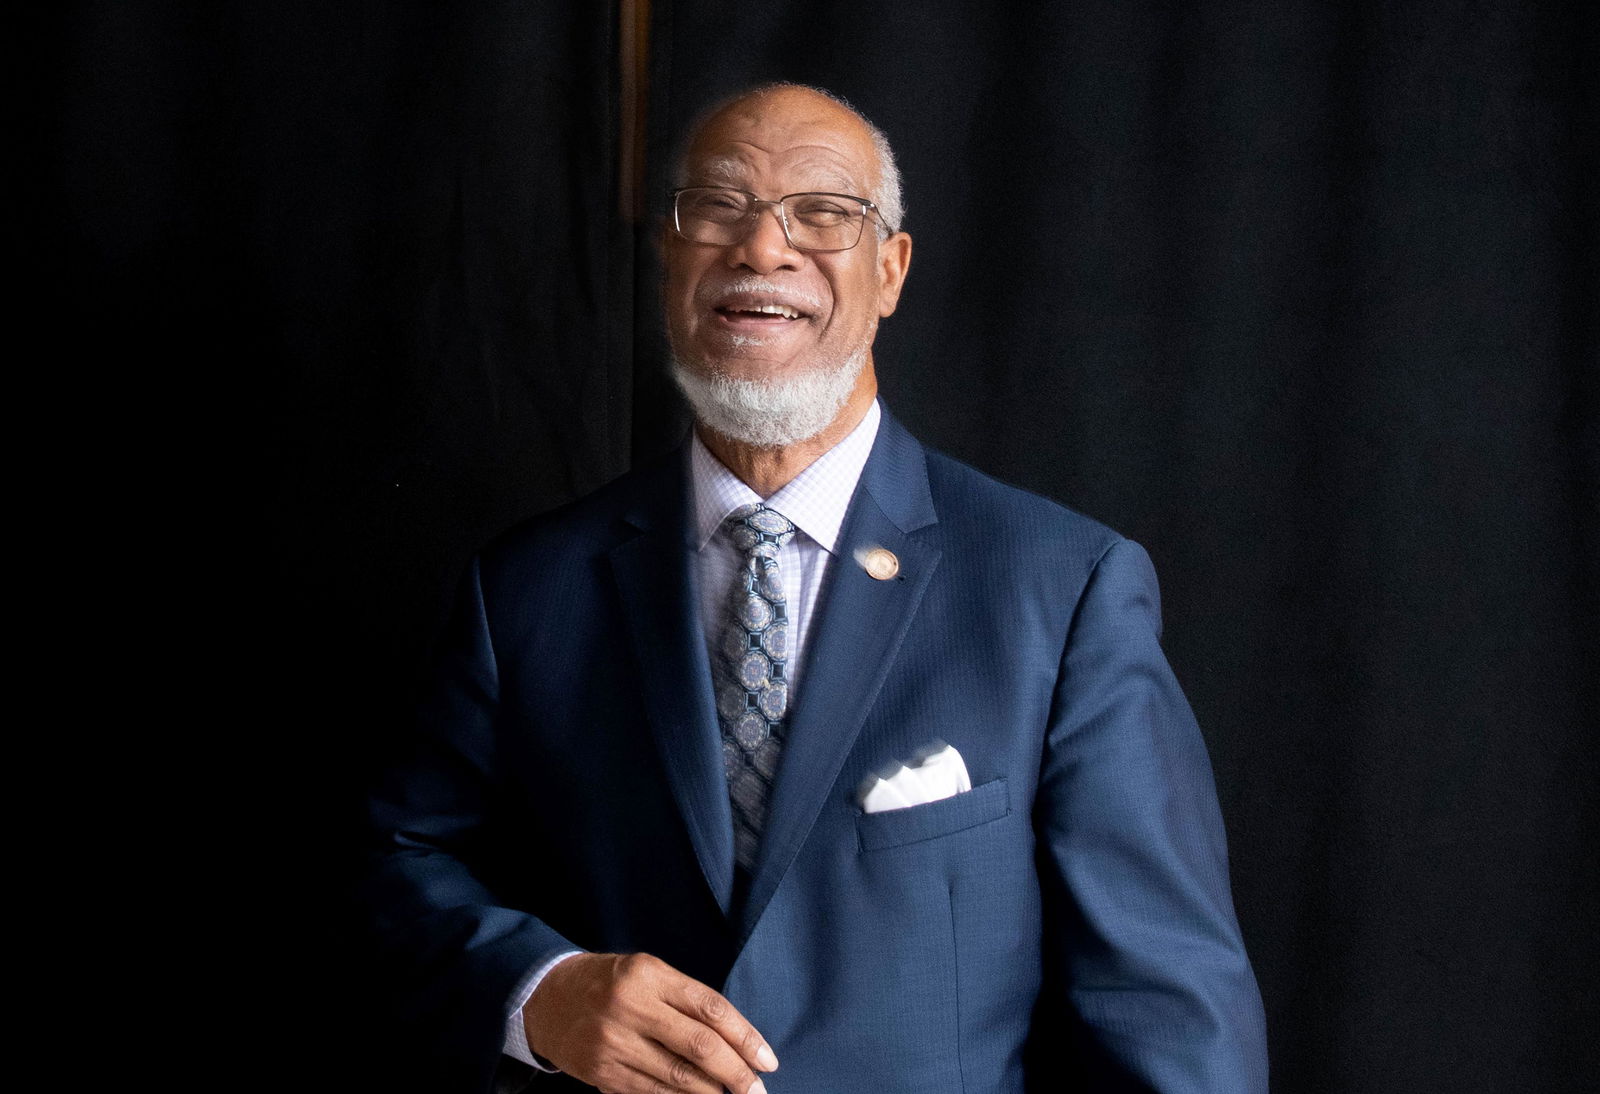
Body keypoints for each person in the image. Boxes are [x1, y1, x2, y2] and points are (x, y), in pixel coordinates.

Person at [366, 83, 1268, 1094]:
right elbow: (396, 864)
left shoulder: (1059, 588)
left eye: (823, 214)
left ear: (890, 270)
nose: (761, 249)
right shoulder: (527, 588)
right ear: (668, 259)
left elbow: (1166, 1009)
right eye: (717, 208)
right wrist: (538, 987)